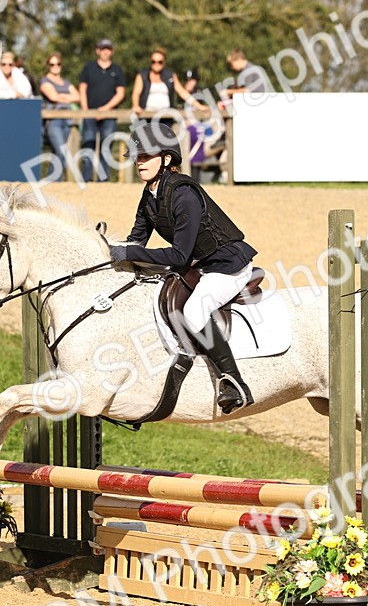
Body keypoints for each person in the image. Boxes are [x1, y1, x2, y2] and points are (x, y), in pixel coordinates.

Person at [107, 122, 258, 414]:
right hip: (199, 266)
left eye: (145, 156)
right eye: (137, 157)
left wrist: (129, 251)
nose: (139, 162)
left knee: (194, 310)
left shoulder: (183, 193)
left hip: (226, 265)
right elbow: (135, 239)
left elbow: (178, 256)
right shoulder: (150, 195)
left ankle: (233, 382)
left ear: (166, 159)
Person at [78, 38, 126, 182]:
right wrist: (87, 111)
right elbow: (82, 88)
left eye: (108, 49)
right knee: (88, 147)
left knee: (106, 149)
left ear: (112, 51)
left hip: (109, 116)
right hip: (90, 114)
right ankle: (85, 179)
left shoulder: (117, 70)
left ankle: (103, 180)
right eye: (103, 48)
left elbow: (121, 93)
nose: (106, 51)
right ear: (97, 50)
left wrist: (105, 109)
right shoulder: (89, 68)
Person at [39, 52, 80, 173]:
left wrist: (61, 96)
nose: (55, 66)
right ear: (48, 65)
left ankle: (56, 180)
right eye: (52, 64)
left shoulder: (66, 82)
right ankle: (54, 179)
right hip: (53, 121)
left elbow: (78, 97)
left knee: (59, 153)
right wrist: (67, 97)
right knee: (61, 151)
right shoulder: (44, 80)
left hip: (67, 120)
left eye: (58, 63)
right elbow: (53, 97)